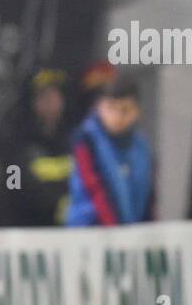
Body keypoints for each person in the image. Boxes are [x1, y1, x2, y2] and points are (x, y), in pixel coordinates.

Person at [65, 75, 153, 226]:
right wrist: (117, 232)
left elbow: (148, 196)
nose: (117, 117)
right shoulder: (86, 141)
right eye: (111, 108)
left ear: (137, 111)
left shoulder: (141, 147)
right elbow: (95, 189)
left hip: (130, 235)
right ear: (98, 107)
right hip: (90, 233)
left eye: (125, 110)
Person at [2, 69, 71, 226]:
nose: (51, 101)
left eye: (55, 95)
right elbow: (13, 191)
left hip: (72, 231)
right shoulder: (14, 144)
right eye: (43, 96)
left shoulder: (75, 139)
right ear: (32, 102)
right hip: (31, 232)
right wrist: (54, 205)